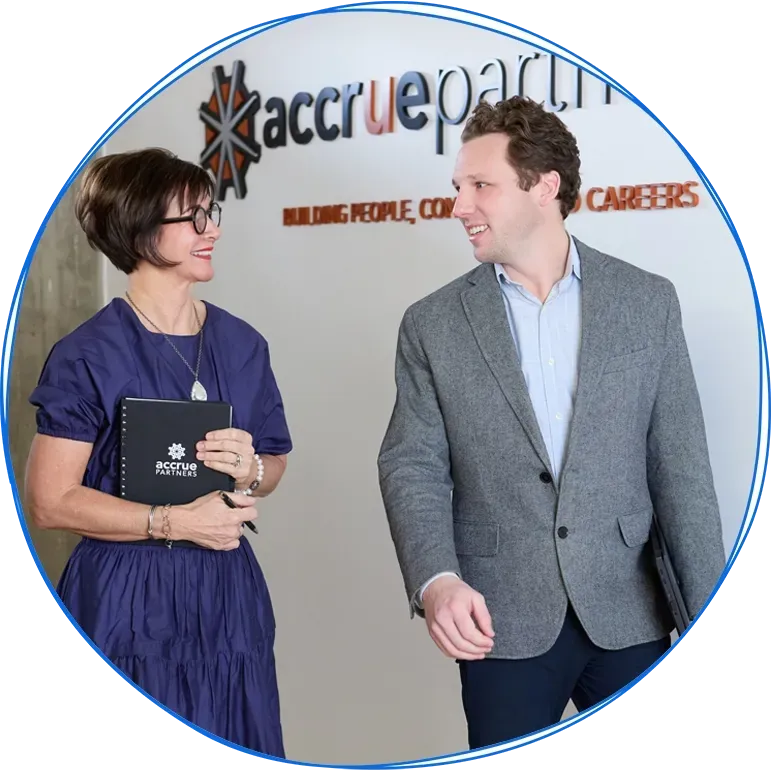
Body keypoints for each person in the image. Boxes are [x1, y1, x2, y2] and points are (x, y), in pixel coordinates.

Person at [377, 96, 726, 749]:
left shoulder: (646, 302)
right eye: (457, 187)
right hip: (501, 618)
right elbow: (410, 463)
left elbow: (680, 472)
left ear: (544, 187)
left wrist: (711, 627)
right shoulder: (430, 324)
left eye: (480, 185)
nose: (458, 205)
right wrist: (437, 579)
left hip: (629, 610)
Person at [25, 148, 292, 757]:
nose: (214, 229)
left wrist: (250, 468)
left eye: (212, 213)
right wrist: (171, 521)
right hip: (126, 598)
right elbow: (49, 501)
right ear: (141, 230)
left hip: (226, 595)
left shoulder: (243, 345)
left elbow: (274, 463)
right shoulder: (86, 355)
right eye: (194, 218)